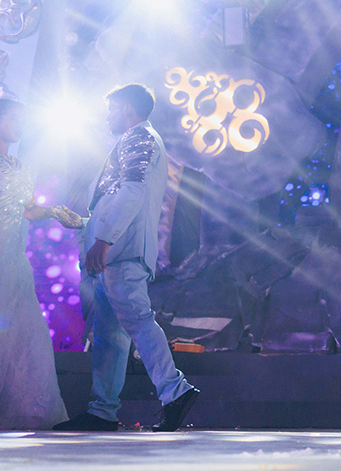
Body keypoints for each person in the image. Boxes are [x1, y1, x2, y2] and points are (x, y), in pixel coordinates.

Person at [54, 84, 199, 432]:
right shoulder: (133, 140)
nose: (107, 117)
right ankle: (102, 409)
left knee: (137, 320)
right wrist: (86, 225)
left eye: (112, 109)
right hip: (115, 251)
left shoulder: (139, 137)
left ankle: (176, 390)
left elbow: (133, 192)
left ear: (128, 109)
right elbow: (119, 198)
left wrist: (103, 240)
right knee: (109, 335)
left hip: (122, 251)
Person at [0, 98, 78, 430]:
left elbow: (28, 210)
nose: (20, 124)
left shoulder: (20, 167)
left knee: (23, 335)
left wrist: (54, 212)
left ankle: (25, 411)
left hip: (13, 261)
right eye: (13, 118)